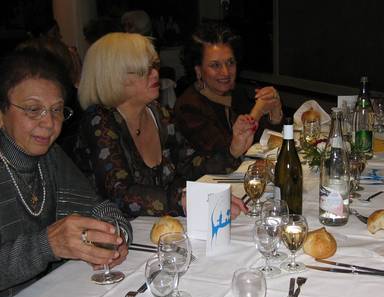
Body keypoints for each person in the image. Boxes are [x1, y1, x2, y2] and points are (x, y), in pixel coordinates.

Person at [0, 48, 132, 297]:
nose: (48, 123)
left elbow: (101, 208)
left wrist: (115, 237)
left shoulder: (50, 157)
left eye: (57, 110)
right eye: (33, 109)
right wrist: (46, 245)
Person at [75, 32, 247, 218]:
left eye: (154, 66)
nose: (156, 73)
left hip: (162, 225)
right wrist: (185, 200)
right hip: (114, 230)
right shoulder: (99, 120)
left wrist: (232, 151)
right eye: (144, 70)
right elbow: (120, 194)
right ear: (112, 77)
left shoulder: (157, 112)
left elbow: (189, 165)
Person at [174, 22, 283, 160]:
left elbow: (263, 142)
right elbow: (223, 155)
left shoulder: (236, 93)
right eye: (215, 65)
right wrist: (257, 112)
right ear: (198, 70)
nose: (226, 72)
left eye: (230, 62)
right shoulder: (189, 107)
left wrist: (275, 111)